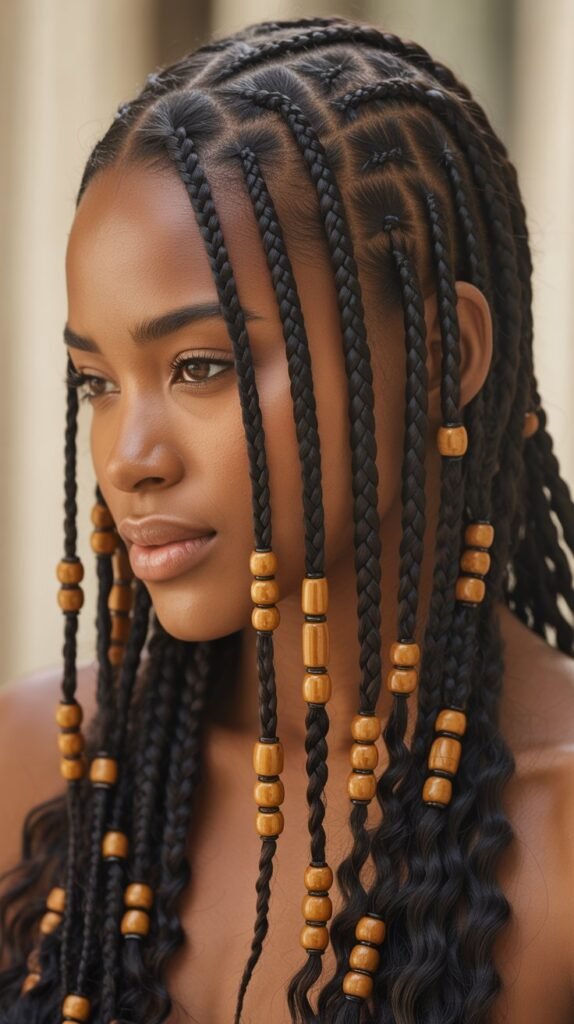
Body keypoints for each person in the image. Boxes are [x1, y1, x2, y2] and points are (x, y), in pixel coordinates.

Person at [0, 13, 573, 1024]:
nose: (130, 458)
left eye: (201, 367)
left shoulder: (559, 838)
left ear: (445, 352)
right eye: (95, 381)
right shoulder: (39, 766)